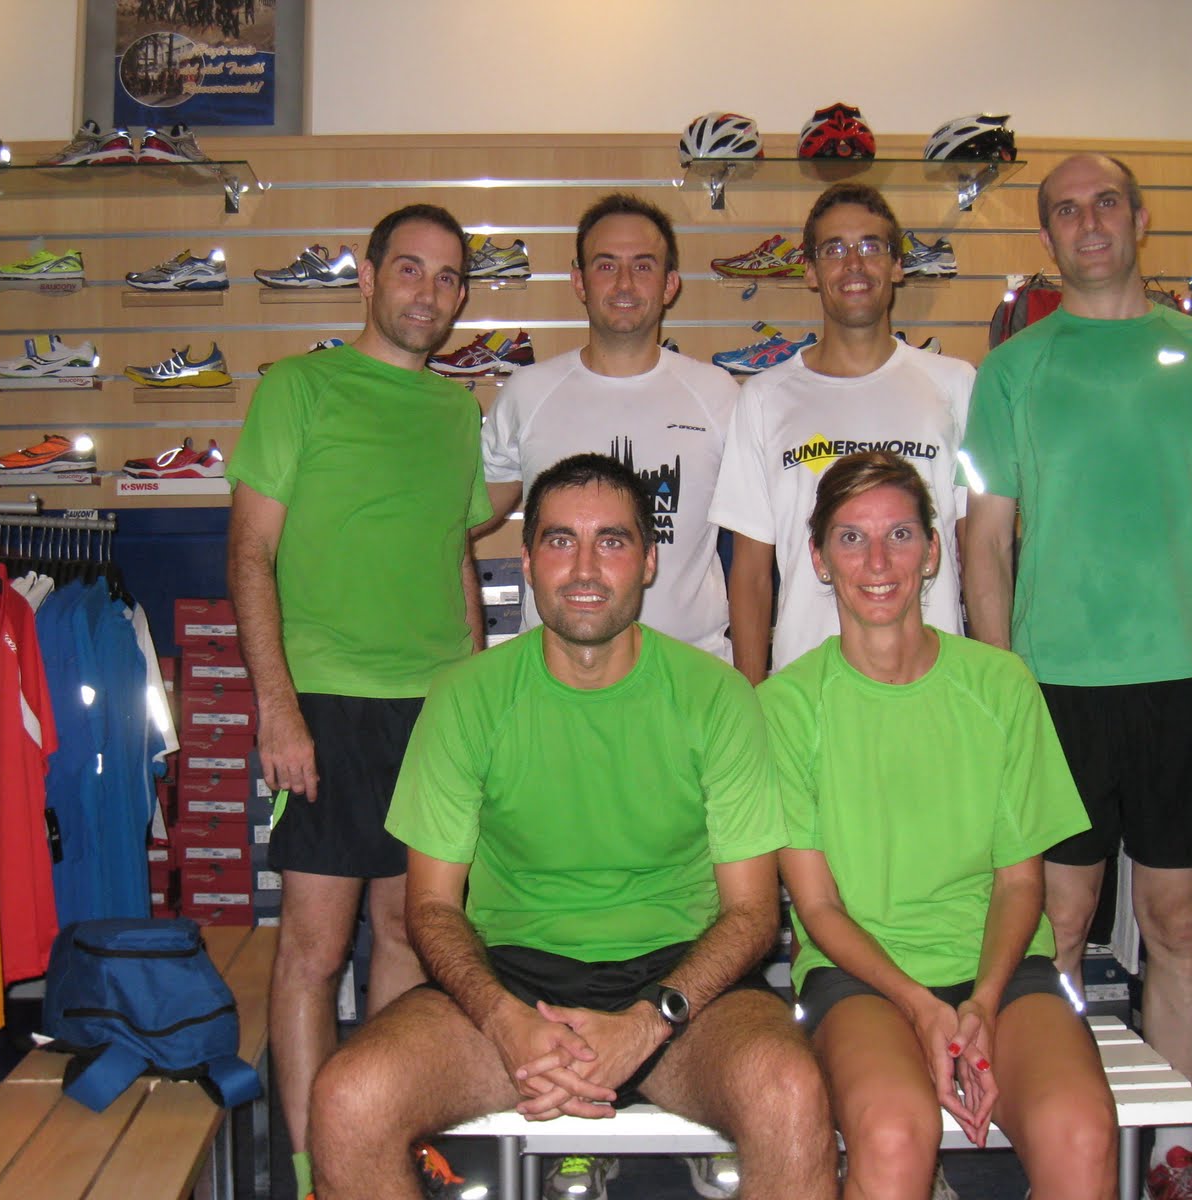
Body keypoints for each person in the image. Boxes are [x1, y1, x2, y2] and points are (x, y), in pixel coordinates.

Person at [307, 454, 836, 1200]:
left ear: (648, 562)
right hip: (510, 980)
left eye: (612, 541)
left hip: (680, 990)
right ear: (527, 562)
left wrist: (649, 1021)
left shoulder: (718, 698)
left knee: (790, 1094)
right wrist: (504, 1020)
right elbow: (429, 907)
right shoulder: (466, 697)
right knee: (347, 1099)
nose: (585, 568)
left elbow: (753, 916)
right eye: (560, 541)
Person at [959, 153, 1192, 1200]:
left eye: (1106, 203)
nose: (1089, 222)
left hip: (1189, 685)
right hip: (1053, 693)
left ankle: (1178, 1151)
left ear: (1139, 219)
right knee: (1054, 928)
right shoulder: (1013, 370)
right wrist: (1003, 689)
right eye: (1066, 210)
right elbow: (984, 539)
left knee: (1176, 927)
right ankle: (1059, 1143)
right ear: (1046, 236)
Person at [761, 450, 1117, 1199]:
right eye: (851, 538)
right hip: (858, 977)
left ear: (932, 551)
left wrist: (980, 1003)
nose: (877, 562)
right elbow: (817, 908)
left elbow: (1020, 883)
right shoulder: (786, 707)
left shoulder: (1000, 684)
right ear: (819, 559)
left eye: (899, 535)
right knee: (894, 1135)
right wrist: (923, 1007)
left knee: (1082, 1134)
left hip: (1000, 970)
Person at [226, 203, 492, 1200]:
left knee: (411, 936)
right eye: (411, 270)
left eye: (448, 277)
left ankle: (375, 1145)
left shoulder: (457, 413)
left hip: (433, 713)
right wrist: (277, 707)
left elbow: (454, 559)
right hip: (328, 705)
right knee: (312, 950)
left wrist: (474, 699)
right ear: (370, 278)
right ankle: (311, 1173)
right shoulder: (298, 388)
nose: (429, 293)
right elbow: (249, 552)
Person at [711, 182, 973, 687]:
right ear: (810, 271)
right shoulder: (764, 398)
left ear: (898, 265)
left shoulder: (955, 385)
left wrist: (988, 674)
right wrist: (752, 695)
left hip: (934, 686)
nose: (854, 264)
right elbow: (750, 572)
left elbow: (976, 545)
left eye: (871, 246)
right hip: (807, 688)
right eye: (834, 249)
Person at [480, 192, 739, 661]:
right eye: (606, 265)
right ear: (579, 281)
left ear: (670, 283)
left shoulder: (718, 394)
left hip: (689, 673)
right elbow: (465, 517)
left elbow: (758, 547)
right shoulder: (528, 393)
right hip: (557, 673)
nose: (624, 283)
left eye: (642, 266)